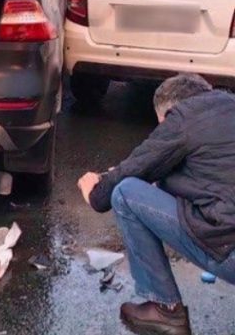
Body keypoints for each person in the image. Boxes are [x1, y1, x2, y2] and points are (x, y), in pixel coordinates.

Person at [78, 73, 235, 335]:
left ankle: (165, 310)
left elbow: (129, 172)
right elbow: (210, 180)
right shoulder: (226, 108)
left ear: (169, 112)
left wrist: (95, 190)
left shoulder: (183, 118)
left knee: (126, 193)